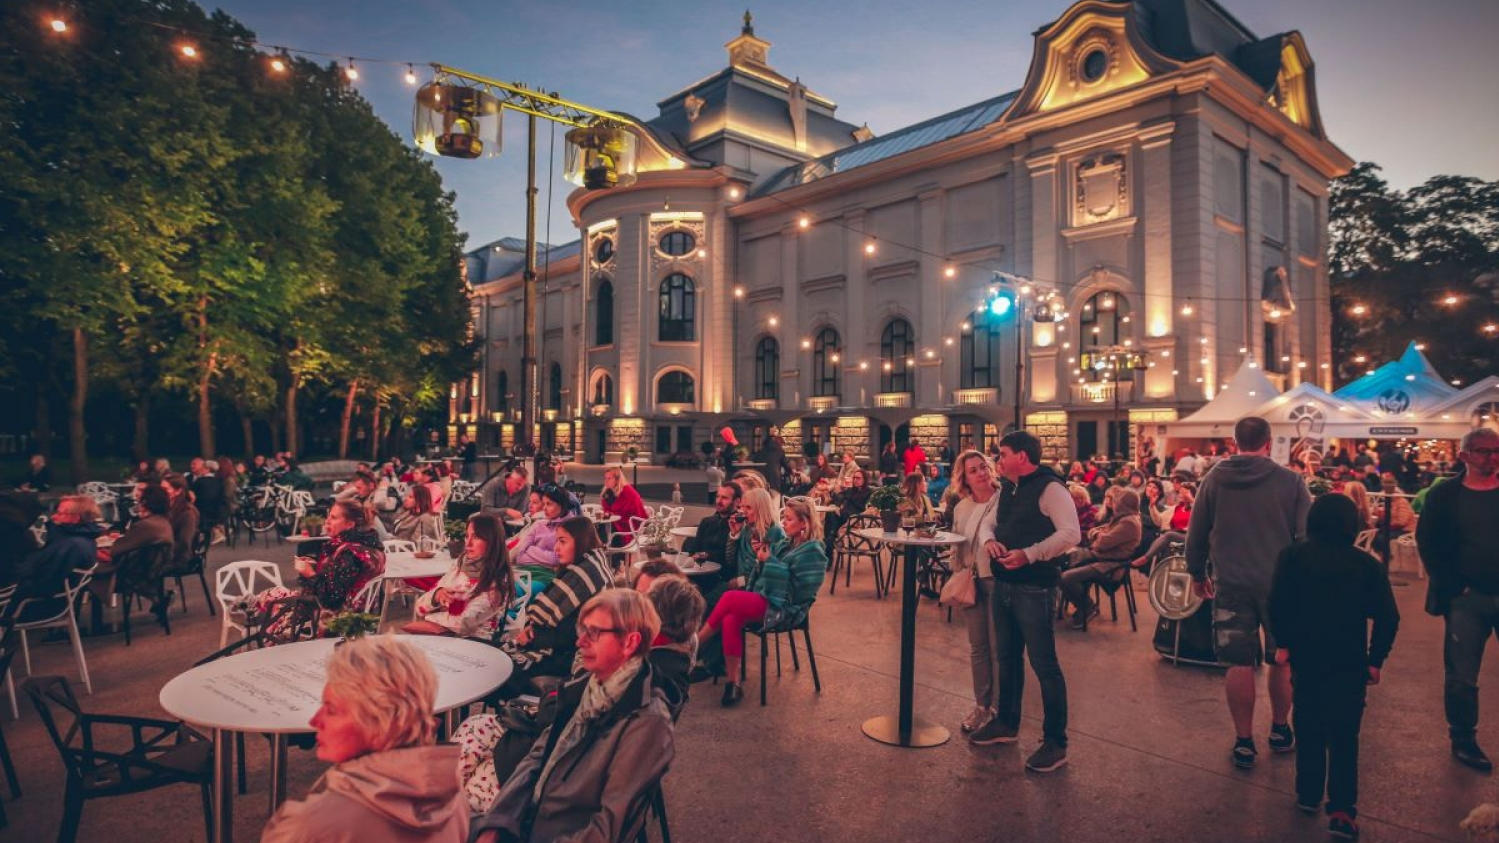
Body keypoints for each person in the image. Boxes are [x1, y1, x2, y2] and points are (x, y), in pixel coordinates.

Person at [473, 590, 672, 843]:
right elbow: (537, 758)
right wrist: (496, 823)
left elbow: (608, 826)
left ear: (630, 642)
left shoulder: (646, 721)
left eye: (595, 633)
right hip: (532, 819)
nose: (580, 642)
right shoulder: (588, 685)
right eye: (582, 630)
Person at [1267, 493, 1399, 841]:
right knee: (1344, 736)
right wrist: (1375, 660)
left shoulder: (1292, 557)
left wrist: (1282, 644)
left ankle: (1308, 793)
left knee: (1308, 725)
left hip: (1306, 659)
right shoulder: (1367, 565)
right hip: (1349, 662)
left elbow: (1276, 603)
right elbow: (1388, 616)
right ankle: (1342, 810)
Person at [1186, 416, 1311, 770]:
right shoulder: (1291, 482)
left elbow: (1197, 532)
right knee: (1281, 658)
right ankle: (1279, 729)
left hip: (1231, 583)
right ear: (1269, 443)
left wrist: (1197, 573)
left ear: (1233, 441)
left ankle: (1244, 741)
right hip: (1281, 587)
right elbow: (1305, 537)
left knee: (1239, 662)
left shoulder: (1214, 480)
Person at [261, 636, 468, 843]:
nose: (315, 720)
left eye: (332, 710)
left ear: (382, 723)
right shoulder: (454, 798)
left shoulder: (317, 826)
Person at [967, 431, 1079, 775]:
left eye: (1002, 454)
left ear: (1023, 457)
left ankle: (1055, 742)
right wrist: (989, 542)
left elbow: (1071, 534)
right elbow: (989, 522)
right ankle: (1006, 723)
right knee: (1007, 657)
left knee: (1044, 664)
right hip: (1004, 584)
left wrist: (1030, 555)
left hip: (1034, 588)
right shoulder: (1010, 489)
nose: (997, 460)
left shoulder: (1050, 488)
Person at [1418, 427, 1499, 772]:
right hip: (1467, 598)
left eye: (1496, 451)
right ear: (1464, 455)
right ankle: (1463, 737)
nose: (1491, 458)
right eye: (1483, 451)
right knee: (1462, 675)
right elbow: (1429, 543)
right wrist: (1454, 587)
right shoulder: (1445, 496)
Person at [698, 495, 826, 707]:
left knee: (729, 597)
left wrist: (770, 562)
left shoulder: (814, 552)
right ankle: (733, 684)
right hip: (767, 599)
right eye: (784, 518)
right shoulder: (786, 544)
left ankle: (695, 645)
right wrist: (761, 558)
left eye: (789, 519)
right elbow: (762, 574)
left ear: (805, 522)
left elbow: (799, 592)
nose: (783, 522)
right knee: (730, 618)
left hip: (786, 609)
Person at [499, 516, 616, 682]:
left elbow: (570, 635)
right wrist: (531, 631)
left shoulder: (584, 576)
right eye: (556, 541)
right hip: (559, 646)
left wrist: (532, 638)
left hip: (570, 656)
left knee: (499, 672)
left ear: (580, 541)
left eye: (562, 541)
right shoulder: (591, 564)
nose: (556, 548)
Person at [252, 501, 386, 643]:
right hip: (359, 614)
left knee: (274, 600)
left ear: (350, 524)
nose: (327, 521)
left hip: (334, 617)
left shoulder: (350, 553)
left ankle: (255, 621)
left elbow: (330, 597)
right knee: (274, 594)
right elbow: (343, 580)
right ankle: (249, 608)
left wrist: (309, 574)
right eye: (328, 516)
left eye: (333, 518)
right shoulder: (370, 547)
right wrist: (318, 567)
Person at [949, 450, 1003, 733]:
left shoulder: (1004, 499)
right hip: (971, 580)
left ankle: (999, 708)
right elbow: (958, 545)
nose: (981, 473)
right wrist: (956, 574)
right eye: (973, 470)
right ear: (965, 478)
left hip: (998, 579)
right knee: (978, 646)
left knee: (998, 647)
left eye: (983, 467)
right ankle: (981, 705)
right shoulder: (962, 508)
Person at [403, 513, 513, 639]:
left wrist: (430, 617)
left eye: (476, 537)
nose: (468, 543)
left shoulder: (497, 579)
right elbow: (419, 606)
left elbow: (463, 623)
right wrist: (437, 596)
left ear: (492, 541)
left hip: (474, 645)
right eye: (467, 536)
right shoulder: (459, 565)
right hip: (444, 639)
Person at [5, 496, 102, 624]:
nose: (54, 517)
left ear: (75, 518)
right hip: (45, 602)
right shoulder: (79, 541)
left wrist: (12, 581)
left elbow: (44, 584)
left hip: (34, 607)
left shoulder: (70, 546)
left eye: (60, 513)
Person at [1059, 488, 1142, 628]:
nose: (1113, 504)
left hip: (1110, 566)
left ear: (1123, 503)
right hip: (1100, 559)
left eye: (1116, 501)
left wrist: (1097, 536)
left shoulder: (1129, 522)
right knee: (1061, 566)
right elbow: (1095, 532)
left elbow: (1102, 543)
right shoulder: (1122, 518)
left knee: (1065, 577)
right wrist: (1098, 535)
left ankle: (1087, 607)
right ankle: (1081, 605)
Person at [508, 485, 572, 570]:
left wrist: (530, 549)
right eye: (544, 504)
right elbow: (520, 557)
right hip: (528, 573)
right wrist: (547, 562)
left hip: (552, 577)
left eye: (549, 504)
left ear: (562, 505)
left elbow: (556, 560)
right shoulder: (539, 524)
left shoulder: (571, 527)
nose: (544, 508)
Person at [682, 481, 740, 572]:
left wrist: (706, 555)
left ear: (737, 501)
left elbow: (731, 557)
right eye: (717, 496)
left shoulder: (739, 525)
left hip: (722, 574)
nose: (719, 501)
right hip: (700, 571)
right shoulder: (707, 522)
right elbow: (694, 550)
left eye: (724, 498)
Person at [160, 473, 200, 571]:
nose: (161, 493)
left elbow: (184, 544)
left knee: (139, 566)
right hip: (164, 553)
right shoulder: (165, 507)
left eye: (165, 489)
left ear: (178, 491)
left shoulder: (188, 513)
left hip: (179, 558)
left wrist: (158, 551)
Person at [601, 466, 648, 544]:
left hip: (628, 526)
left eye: (609, 478)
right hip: (613, 523)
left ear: (617, 480)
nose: (606, 481)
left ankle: (607, 552)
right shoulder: (607, 493)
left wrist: (611, 515)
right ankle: (602, 552)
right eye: (605, 478)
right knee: (595, 528)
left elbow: (630, 514)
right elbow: (607, 511)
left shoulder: (627, 491)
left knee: (602, 531)